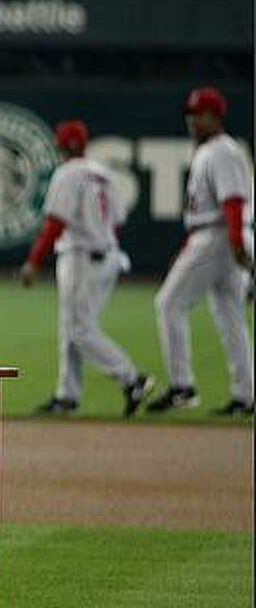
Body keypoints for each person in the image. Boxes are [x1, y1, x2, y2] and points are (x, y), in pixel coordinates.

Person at [20, 120, 155, 418]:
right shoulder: (103, 173)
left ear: (61, 146)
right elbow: (117, 222)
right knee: (72, 327)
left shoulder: (67, 174)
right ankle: (67, 395)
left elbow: (56, 222)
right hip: (106, 255)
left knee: (80, 329)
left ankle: (132, 379)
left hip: (82, 257)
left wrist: (33, 261)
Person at [148, 87, 254, 416]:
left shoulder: (223, 151)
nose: (192, 121)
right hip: (214, 236)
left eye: (199, 115)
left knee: (168, 303)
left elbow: (233, 200)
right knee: (230, 317)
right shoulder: (212, 151)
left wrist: (237, 243)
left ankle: (183, 386)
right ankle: (246, 396)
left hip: (219, 237)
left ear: (215, 116)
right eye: (190, 114)